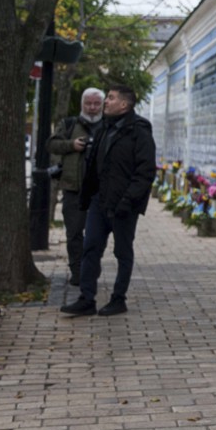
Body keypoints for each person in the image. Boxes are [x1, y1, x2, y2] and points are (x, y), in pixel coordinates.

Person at [59, 85, 156, 318]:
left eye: (111, 98)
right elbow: (94, 165)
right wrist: (88, 195)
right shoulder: (104, 127)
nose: (106, 102)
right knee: (90, 248)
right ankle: (86, 299)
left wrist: (128, 200)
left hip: (123, 205)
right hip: (99, 202)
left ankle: (118, 299)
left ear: (124, 104)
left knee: (122, 252)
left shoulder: (139, 131)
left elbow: (145, 171)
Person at [46, 87, 104, 286]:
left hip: (100, 191)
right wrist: (72, 145)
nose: (92, 107)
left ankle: (92, 269)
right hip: (73, 189)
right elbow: (52, 144)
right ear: (82, 104)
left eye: (96, 103)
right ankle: (78, 272)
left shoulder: (108, 126)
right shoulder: (69, 124)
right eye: (88, 103)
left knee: (97, 235)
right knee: (74, 233)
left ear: (102, 105)